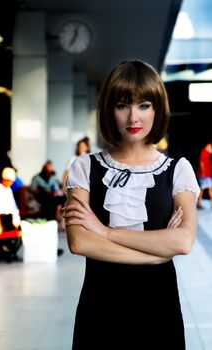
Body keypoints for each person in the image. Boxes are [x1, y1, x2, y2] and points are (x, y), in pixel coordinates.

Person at [63, 60, 200, 349]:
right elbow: (79, 243)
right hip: (100, 306)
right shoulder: (84, 168)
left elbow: (183, 241)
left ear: (157, 108)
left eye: (144, 105)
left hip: (158, 308)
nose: (133, 117)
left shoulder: (178, 169)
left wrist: (105, 231)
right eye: (123, 105)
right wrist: (155, 253)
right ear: (109, 109)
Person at [0, 167, 22, 262]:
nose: (11, 183)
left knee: (25, 230)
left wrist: (17, 218)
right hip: (2, 220)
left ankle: (11, 252)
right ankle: (7, 252)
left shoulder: (8, 190)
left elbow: (13, 207)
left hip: (10, 219)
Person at [196, 142, 212, 208]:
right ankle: (199, 203)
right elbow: (201, 163)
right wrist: (203, 172)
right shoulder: (204, 152)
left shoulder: (207, 153)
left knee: (207, 188)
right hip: (204, 174)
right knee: (203, 189)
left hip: (207, 174)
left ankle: (199, 203)